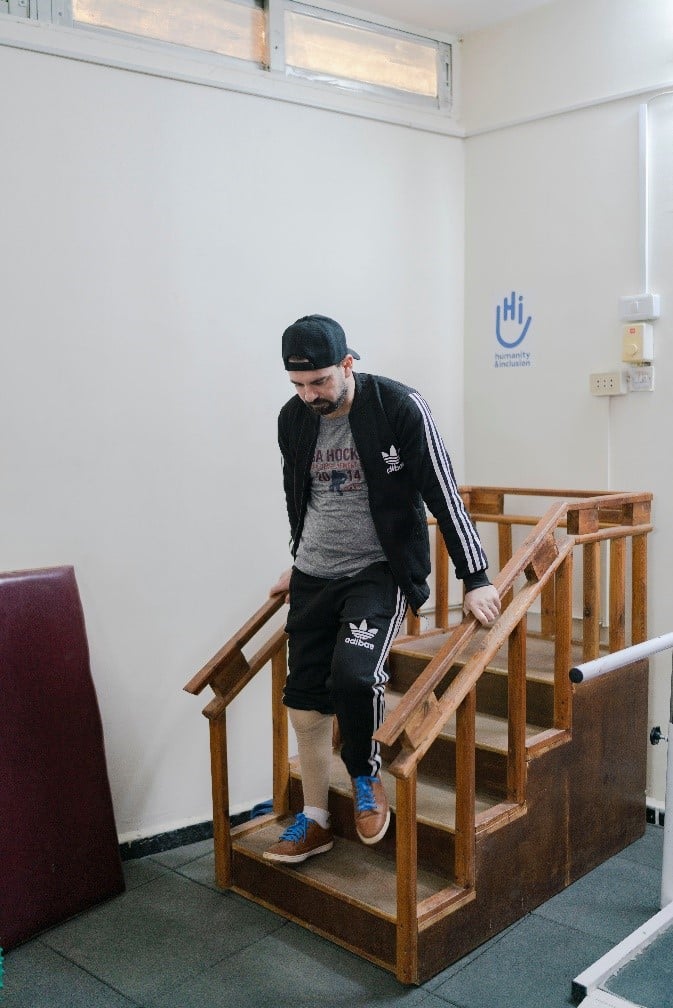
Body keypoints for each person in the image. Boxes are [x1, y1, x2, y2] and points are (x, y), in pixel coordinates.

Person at [263, 314, 500, 865]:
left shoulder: (397, 406)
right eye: (298, 385)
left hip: (376, 570)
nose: (309, 395)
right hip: (315, 573)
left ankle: (366, 777)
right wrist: (296, 562)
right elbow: (297, 494)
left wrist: (476, 576)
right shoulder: (292, 419)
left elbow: (441, 488)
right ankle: (316, 818)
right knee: (303, 705)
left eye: (319, 381)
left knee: (354, 674)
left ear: (349, 363)